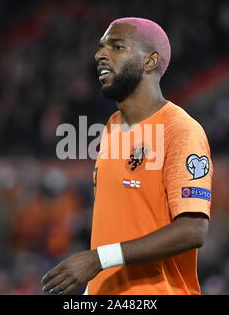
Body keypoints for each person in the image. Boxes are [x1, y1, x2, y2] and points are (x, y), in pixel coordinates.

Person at [42, 17, 213, 295]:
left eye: (117, 46)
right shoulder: (111, 127)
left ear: (150, 62)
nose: (100, 55)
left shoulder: (180, 129)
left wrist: (99, 259)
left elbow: (193, 229)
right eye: (100, 47)